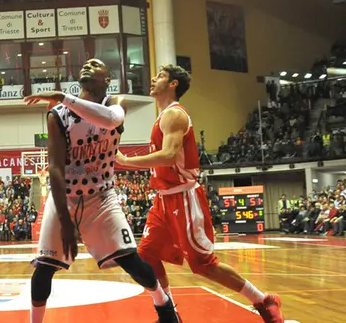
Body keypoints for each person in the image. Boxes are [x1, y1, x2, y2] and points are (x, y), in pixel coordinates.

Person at [116, 64, 284, 322]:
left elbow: (169, 155)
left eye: (160, 76)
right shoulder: (163, 116)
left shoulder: (175, 114)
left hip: (183, 197)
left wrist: (125, 161)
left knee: (203, 265)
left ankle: (263, 300)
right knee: (146, 255)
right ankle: (169, 314)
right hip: (163, 199)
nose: (153, 78)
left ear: (173, 84)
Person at [23, 59, 179, 323]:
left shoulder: (116, 103)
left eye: (95, 64)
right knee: (44, 268)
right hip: (65, 199)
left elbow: (110, 120)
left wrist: (63, 96)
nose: (87, 65)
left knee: (132, 261)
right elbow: (56, 170)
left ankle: (165, 309)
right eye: (84, 64)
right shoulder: (58, 115)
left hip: (102, 197)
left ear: (107, 79)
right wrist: (65, 219)